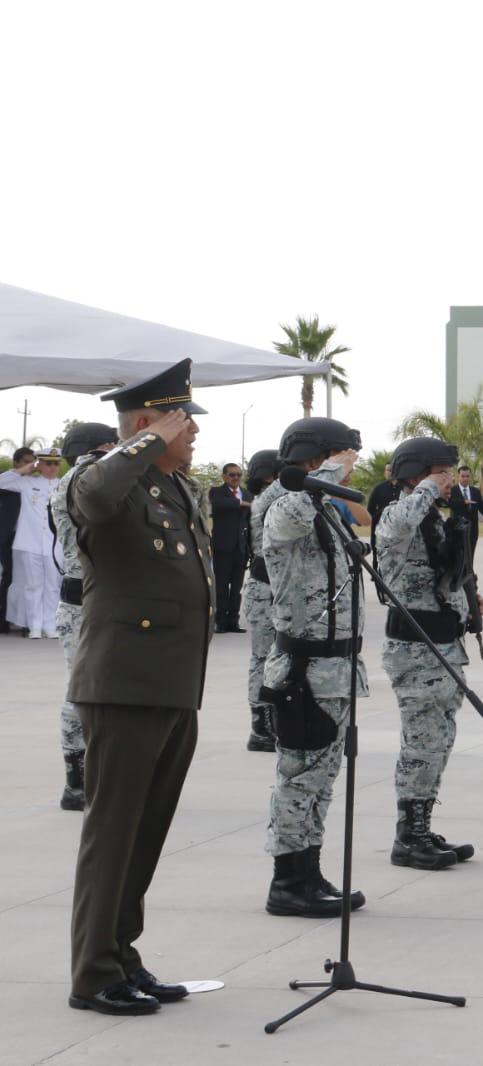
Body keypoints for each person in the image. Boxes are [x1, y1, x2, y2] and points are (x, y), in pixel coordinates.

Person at [65, 359, 211, 1016]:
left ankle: (123, 956)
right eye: (185, 424)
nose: (195, 437)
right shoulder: (103, 482)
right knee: (113, 834)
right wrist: (147, 439)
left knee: (145, 834)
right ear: (150, 424)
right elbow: (94, 499)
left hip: (173, 684)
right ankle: (93, 973)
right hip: (124, 684)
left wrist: (159, 447)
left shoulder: (174, 488)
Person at [260, 417, 369, 916]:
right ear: (313, 456)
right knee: (298, 777)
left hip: (336, 667)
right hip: (303, 669)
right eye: (344, 455)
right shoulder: (282, 504)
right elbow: (289, 517)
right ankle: (287, 882)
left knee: (321, 781)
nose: (349, 466)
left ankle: (310, 872)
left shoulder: (324, 509)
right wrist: (328, 473)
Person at [377, 438, 478, 870]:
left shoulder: (434, 518)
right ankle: (408, 836)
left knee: (439, 742)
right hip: (415, 647)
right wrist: (426, 489)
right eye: (440, 471)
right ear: (416, 474)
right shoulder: (398, 512)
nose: (448, 479)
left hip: (443, 644)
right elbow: (396, 526)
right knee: (420, 743)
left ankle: (422, 824)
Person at [48, 422, 119, 811]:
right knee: (82, 693)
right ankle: (77, 781)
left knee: (86, 691)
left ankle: (84, 777)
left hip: (85, 598)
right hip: (86, 600)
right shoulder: (88, 476)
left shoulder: (69, 480)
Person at [242, 449, 282, 751]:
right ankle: (261, 726)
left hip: (277, 589)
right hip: (264, 588)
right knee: (262, 658)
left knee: (274, 658)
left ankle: (275, 718)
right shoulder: (266, 501)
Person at [2, 447, 63, 637]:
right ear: (40, 464)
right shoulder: (27, 482)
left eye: (56, 463)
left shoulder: (64, 485)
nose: (52, 467)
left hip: (56, 544)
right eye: (47, 463)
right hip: (30, 542)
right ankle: (35, 626)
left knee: (53, 585)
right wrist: (24, 470)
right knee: (33, 585)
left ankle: (50, 626)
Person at [207, 462, 250, 633]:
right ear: (224, 477)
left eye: (239, 475)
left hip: (241, 548)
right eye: (232, 475)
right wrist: (243, 503)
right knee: (222, 586)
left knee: (237, 588)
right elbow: (220, 504)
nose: (236, 478)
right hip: (222, 547)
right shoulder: (217, 492)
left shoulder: (247, 493)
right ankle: (221, 622)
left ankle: (234, 621)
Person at [0, 446, 32, 634]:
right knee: (9, 577)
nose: (31, 466)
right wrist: (21, 472)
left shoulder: (34, 483)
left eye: (32, 462)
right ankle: (3, 620)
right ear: (16, 463)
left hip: (28, 539)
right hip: (7, 538)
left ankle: (27, 621)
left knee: (28, 579)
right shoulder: (10, 480)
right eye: (26, 462)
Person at [447, 465, 483, 560]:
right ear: (458, 477)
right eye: (463, 476)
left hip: (472, 532)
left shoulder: (475, 492)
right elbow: (448, 503)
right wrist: (464, 502)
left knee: (470, 558)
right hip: (458, 531)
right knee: (458, 559)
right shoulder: (452, 491)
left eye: (467, 476)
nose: (465, 479)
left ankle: (469, 574)